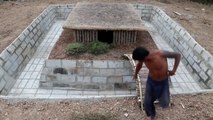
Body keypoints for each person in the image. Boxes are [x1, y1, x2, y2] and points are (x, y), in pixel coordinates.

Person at [132, 46, 181, 120]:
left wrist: (174, 70)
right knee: (147, 101)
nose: (141, 62)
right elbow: (139, 65)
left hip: (163, 82)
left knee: (165, 102)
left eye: (141, 60)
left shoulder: (160, 54)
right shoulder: (143, 59)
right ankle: (151, 114)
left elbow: (177, 55)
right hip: (151, 81)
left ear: (144, 57)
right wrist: (135, 74)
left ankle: (158, 100)